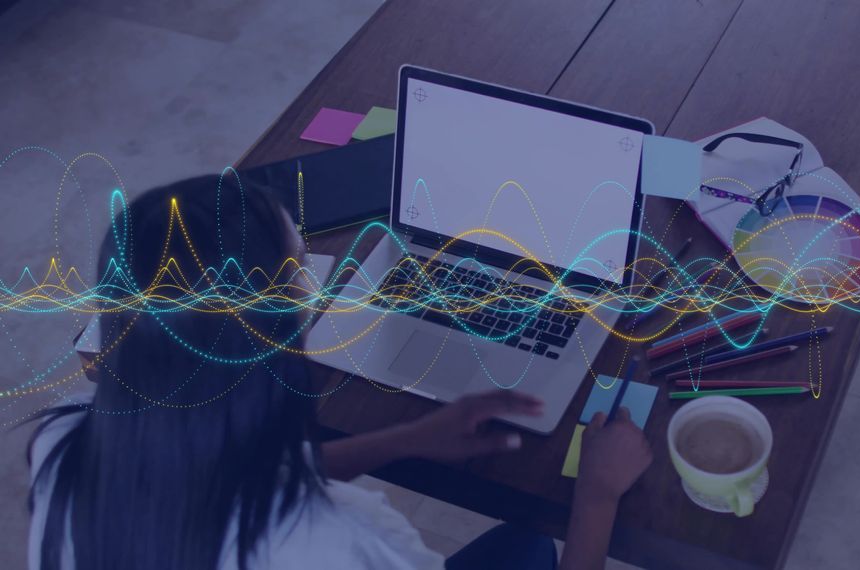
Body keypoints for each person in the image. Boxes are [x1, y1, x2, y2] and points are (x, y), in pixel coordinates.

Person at [27, 175, 653, 570]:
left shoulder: (62, 447)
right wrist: (596, 497)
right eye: (301, 269)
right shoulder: (342, 545)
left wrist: (406, 441)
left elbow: (223, 477)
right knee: (531, 545)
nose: (317, 280)